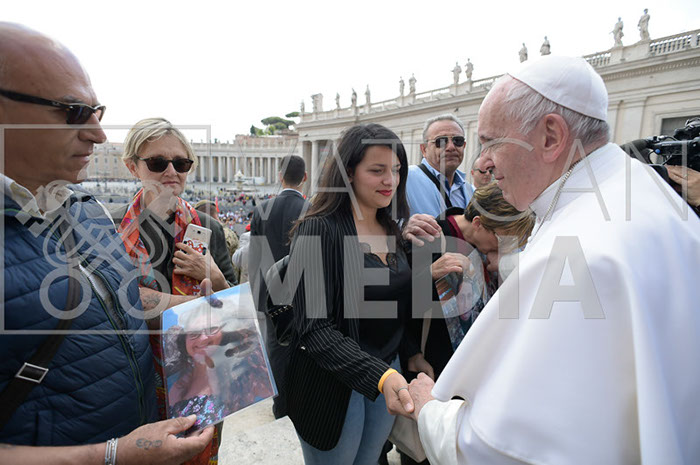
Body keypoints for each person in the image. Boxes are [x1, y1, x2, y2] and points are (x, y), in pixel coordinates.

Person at [409, 55, 700, 464]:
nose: (483, 163)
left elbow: (504, 450)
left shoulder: (579, 250)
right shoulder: (643, 191)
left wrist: (429, 411)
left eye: (491, 142)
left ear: (550, 137)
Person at [0, 22, 212, 463]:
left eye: (97, 112)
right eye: (74, 111)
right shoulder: (111, 218)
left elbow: (125, 299)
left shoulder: (85, 208)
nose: (98, 134)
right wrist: (113, 455)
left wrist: (212, 294)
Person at [283, 123, 430, 464]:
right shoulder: (316, 230)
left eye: (396, 170)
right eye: (377, 171)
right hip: (331, 384)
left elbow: (393, 301)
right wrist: (381, 376)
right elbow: (314, 329)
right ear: (348, 172)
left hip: (387, 370)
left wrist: (410, 352)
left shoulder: (391, 227)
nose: (390, 180)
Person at [115, 117, 237, 464]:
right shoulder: (111, 226)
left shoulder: (208, 227)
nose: (171, 171)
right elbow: (113, 306)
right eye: (158, 163)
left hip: (202, 377)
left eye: (181, 163)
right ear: (132, 166)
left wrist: (215, 277)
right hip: (135, 381)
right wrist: (194, 303)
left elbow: (234, 307)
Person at [248, 154, 308, 419]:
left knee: (275, 350)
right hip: (304, 294)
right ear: (304, 178)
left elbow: (255, 258)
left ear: (279, 176)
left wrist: (257, 297)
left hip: (270, 293)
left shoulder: (261, 209)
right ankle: (300, 402)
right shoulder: (311, 209)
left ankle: (280, 405)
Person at [165, 302, 274, 431]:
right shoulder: (174, 379)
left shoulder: (246, 375)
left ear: (225, 334)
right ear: (184, 340)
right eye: (194, 333)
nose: (203, 338)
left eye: (211, 329)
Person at [405, 114, 475, 217]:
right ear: (424, 149)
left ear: (464, 146)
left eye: (457, 141)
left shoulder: (471, 191)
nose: (451, 147)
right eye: (441, 141)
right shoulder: (404, 179)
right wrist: (405, 224)